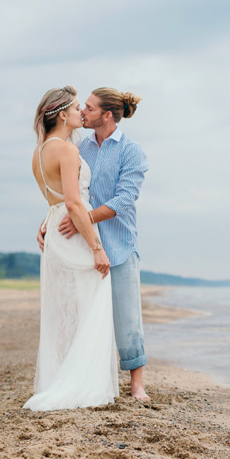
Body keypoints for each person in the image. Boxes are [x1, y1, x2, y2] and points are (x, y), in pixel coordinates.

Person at [38, 87, 150, 400]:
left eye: (89, 107)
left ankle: (136, 384)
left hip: (118, 243)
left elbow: (124, 200)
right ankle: (86, 377)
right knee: (85, 314)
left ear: (107, 115)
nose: (83, 112)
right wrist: (49, 221)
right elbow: (67, 193)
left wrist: (80, 219)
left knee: (127, 317)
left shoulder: (131, 151)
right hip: (84, 245)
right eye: (82, 107)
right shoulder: (79, 146)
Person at [24, 86, 119, 411]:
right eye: (78, 108)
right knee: (88, 302)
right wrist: (97, 247)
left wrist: (47, 222)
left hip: (54, 230)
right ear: (62, 114)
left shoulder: (39, 152)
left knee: (62, 310)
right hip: (73, 231)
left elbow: (56, 201)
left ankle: (61, 378)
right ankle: (80, 385)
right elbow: (75, 204)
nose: (82, 112)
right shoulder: (66, 150)